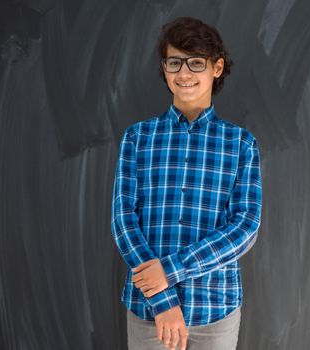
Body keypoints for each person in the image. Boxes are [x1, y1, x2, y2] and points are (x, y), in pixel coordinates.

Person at [111, 16, 262, 350]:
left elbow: (246, 227)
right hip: (148, 310)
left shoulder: (241, 144)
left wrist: (170, 270)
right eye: (174, 62)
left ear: (217, 68)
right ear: (165, 69)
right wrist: (163, 298)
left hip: (216, 308)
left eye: (196, 63)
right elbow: (124, 220)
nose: (184, 74)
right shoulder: (138, 138)